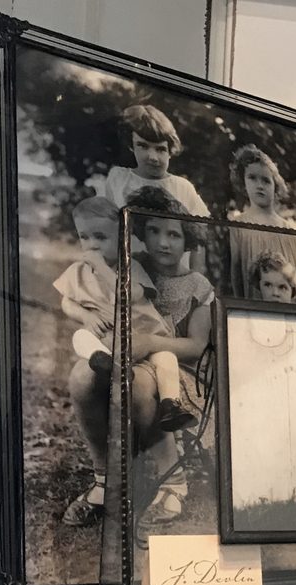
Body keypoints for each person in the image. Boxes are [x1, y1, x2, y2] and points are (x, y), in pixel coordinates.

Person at [63, 203, 213, 528]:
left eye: (174, 235)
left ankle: (174, 482)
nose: (162, 242)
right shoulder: (126, 261)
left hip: (175, 367)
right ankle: (104, 480)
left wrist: (149, 343)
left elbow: (196, 347)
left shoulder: (197, 285)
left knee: (141, 385)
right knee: (80, 375)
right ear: (138, 233)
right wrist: (87, 316)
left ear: (188, 239)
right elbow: (79, 296)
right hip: (124, 354)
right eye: (153, 231)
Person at [228, 144, 296, 303]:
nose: (260, 185)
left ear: (275, 187)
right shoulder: (238, 225)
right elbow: (236, 275)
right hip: (256, 309)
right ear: (243, 182)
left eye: (266, 181)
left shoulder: (290, 231)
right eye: (252, 178)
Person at [103, 104, 210, 217]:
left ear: (170, 152)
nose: (153, 157)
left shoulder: (182, 187)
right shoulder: (119, 179)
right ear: (132, 146)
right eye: (143, 146)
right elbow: (105, 219)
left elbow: (202, 225)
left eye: (160, 149)